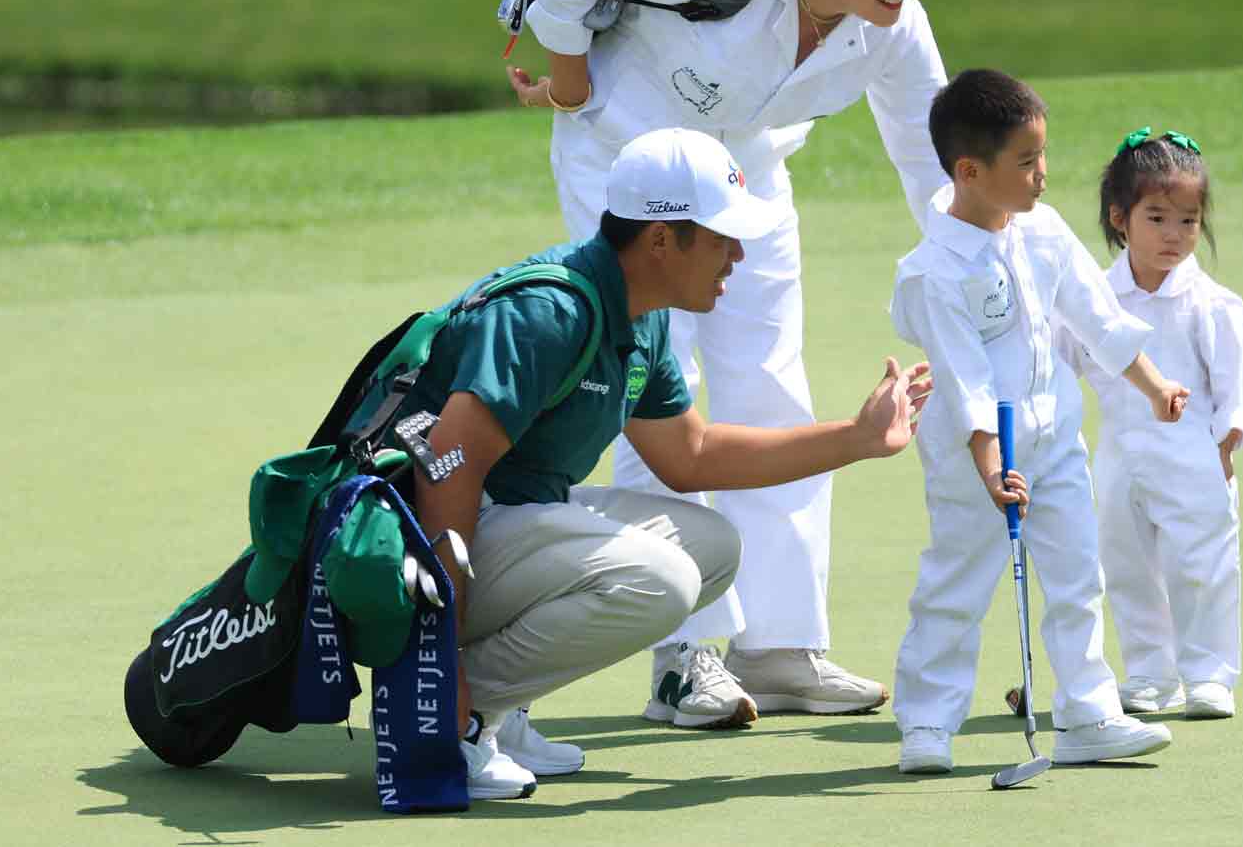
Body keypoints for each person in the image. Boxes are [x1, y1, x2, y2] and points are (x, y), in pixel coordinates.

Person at [505, 0, 966, 723]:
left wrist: (979, 263)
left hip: (748, 182)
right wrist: (569, 77)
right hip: (631, 173)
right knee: (657, 383)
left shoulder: (894, 23)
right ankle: (683, 657)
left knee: (772, 381)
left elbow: (931, 155)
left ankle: (782, 646)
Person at [379, 127, 931, 800]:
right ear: (662, 238)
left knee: (712, 548)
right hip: (416, 547)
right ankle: (448, 716)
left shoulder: (641, 316)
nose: (737, 254)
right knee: (659, 581)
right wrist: (444, 660)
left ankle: (498, 712)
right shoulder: (550, 313)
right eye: (723, 235)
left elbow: (690, 454)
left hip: (502, 524)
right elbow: (446, 467)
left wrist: (858, 436)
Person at [887, 70, 1189, 774]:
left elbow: (1097, 320)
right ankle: (928, 722)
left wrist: (1152, 386)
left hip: (1054, 445)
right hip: (975, 462)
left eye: (1043, 157)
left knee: (1079, 576)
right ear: (969, 171)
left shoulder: (1043, 231)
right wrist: (992, 468)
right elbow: (962, 381)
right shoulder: (932, 272)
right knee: (957, 583)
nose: (1043, 176)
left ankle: (1087, 713)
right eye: (1026, 162)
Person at [1056, 127, 1243, 720]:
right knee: (1126, 566)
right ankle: (1149, 672)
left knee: (1203, 567)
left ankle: (1210, 674)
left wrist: (1223, 448)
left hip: (1194, 456)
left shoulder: (1214, 304)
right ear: (1120, 218)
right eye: (1157, 218)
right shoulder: (1092, 298)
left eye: (1189, 221)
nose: (1175, 235)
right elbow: (1062, 361)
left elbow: (1233, 390)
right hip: (1117, 455)